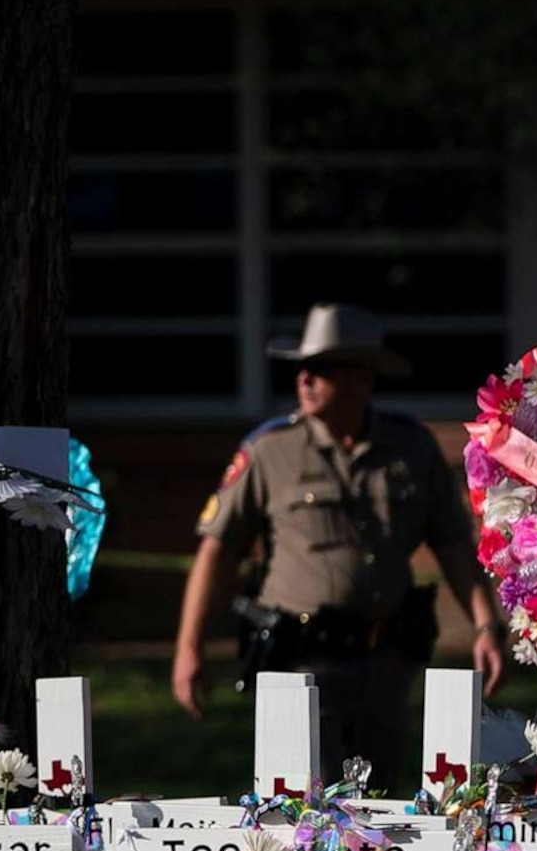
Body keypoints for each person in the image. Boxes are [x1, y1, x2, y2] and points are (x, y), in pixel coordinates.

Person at [171, 303, 504, 790]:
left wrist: (487, 625)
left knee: (382, 800)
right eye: (302, 368)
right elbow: (218, 549)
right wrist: (188, 647)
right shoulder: (270, 450)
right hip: (298, 660)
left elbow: (454, 545)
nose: (304, 379)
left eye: (322, 368)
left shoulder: (412, 448)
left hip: (386, 658)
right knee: (309, 800)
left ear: (363, 378)